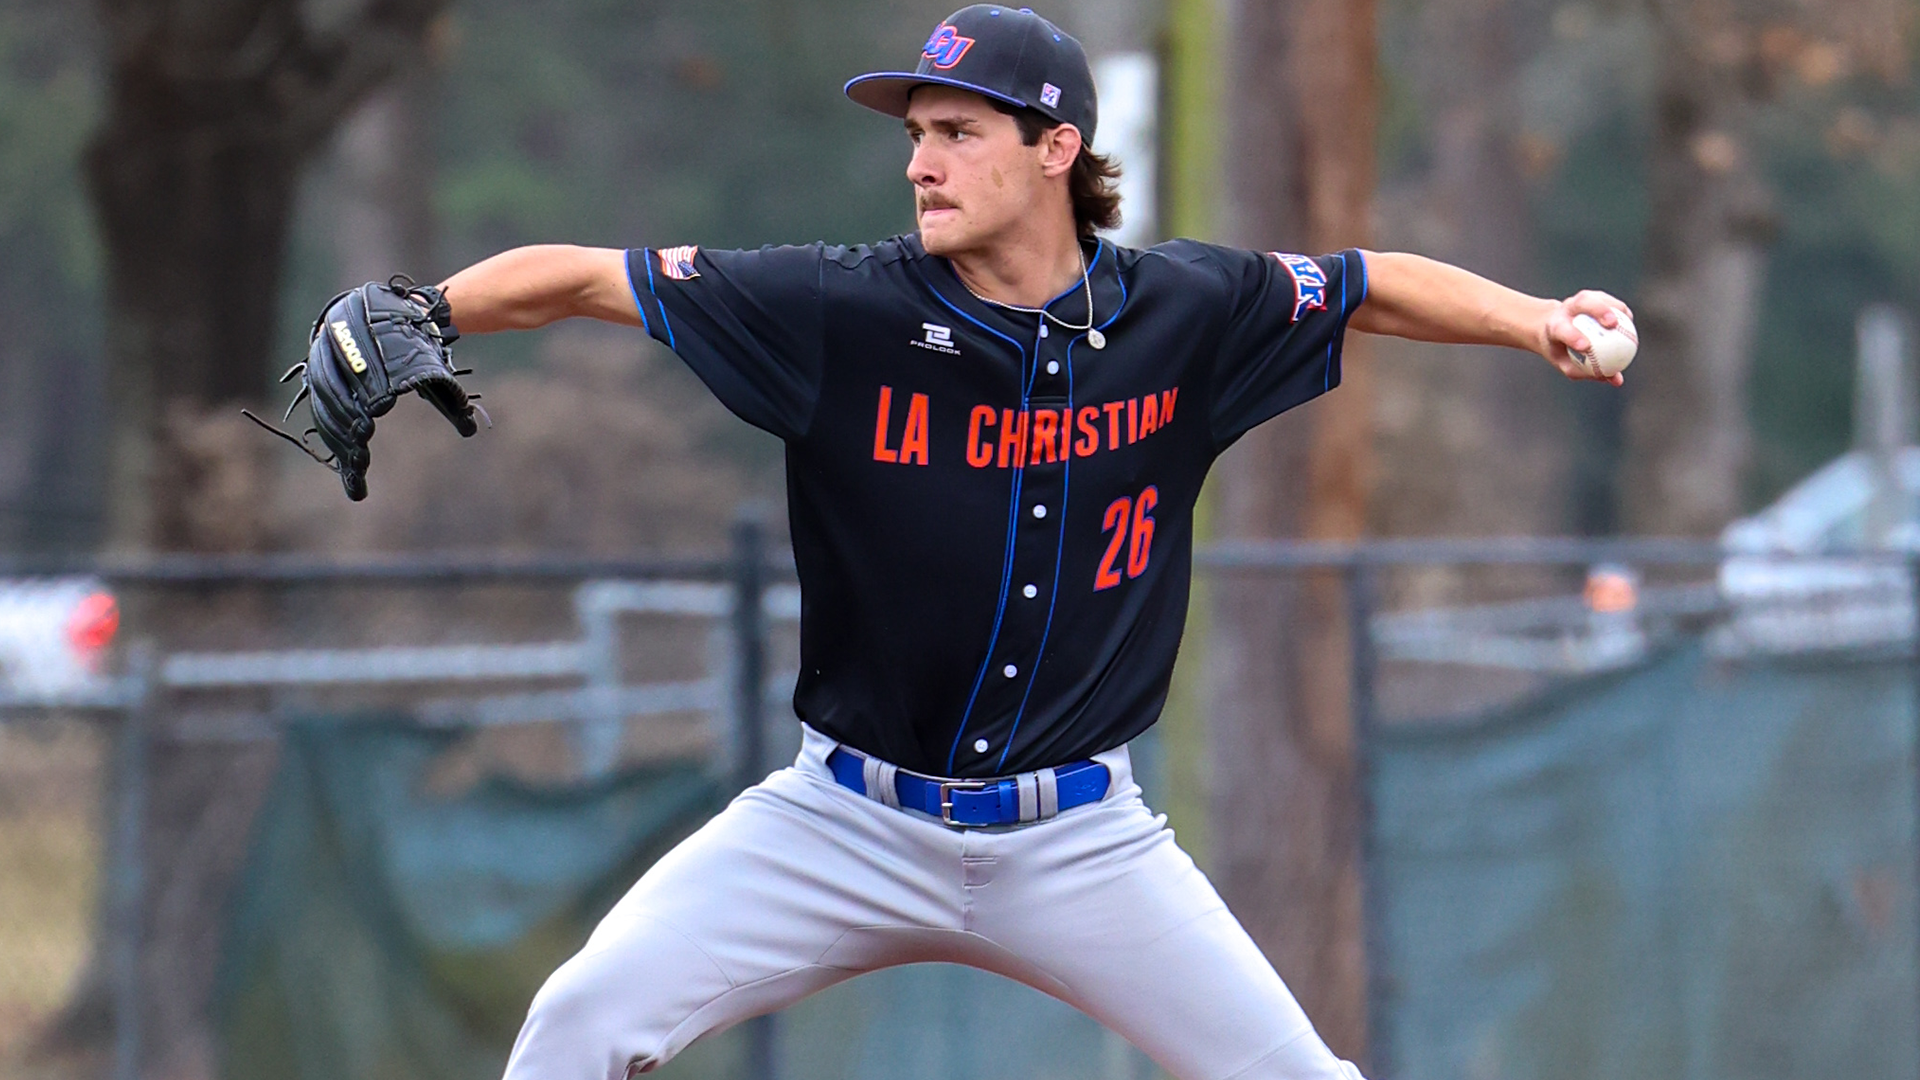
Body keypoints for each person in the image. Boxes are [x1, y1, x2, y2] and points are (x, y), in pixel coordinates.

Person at [430, 7, 1628, 1079]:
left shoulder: (1184, 312)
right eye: (916, 134)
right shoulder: (840, 310)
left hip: (1081, 842)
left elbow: (1366, 284)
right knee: (582, 1021)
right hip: (843, 821)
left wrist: (1537, 320)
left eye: (959, 131)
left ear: (1057, 150)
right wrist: (418, 310)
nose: (920, 161)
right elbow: (589, 280)